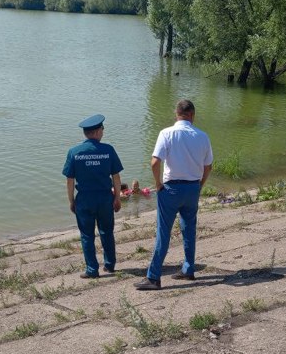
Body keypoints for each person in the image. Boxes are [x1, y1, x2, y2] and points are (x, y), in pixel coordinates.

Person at [135, 99, 213, 290]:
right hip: (192, 188)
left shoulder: (166, 133)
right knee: (189, 229)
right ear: (192, 115)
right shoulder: (203, 136)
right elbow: (208, 165)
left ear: (176, 114)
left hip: (170, 189)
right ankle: (188, 269)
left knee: (163, 232)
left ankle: (154, 277)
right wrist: (200, 184)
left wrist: (158, 184)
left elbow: (155, 162)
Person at [62, 114, 123, 279]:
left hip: (84, 199)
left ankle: (92, 269)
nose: (103, 132)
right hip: (104, 198)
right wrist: (117, 197)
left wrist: (71, 200)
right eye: (102, 129)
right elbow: (116, 177)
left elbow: (69, 180)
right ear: (97, 131)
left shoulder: (74, 152)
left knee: (87, 235)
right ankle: (109, 265)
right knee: (107, 232)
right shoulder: (108, 150)